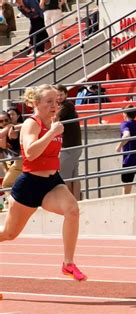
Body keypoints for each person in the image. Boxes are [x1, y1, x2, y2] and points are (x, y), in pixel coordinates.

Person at [0, 84, 86, 281]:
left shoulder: (54, 122)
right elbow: (30, 153)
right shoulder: (33, 123)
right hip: (29, 184)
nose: (54, 105)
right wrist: (51, 133)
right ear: (36, 104)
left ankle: (68, 263)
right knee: (9, 234)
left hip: (52, 182)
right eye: (49, 102)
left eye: (56, 101)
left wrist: (53, 130)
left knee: (72, 210)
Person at [56, 84, 82, 200]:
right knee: (73, 175)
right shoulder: (68, 105)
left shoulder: (65, 106)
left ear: (66, 94)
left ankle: (69, 200)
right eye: (57, 95)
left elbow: (55, 118)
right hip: (74, 145)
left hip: (69, 146)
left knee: (65, 176)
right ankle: (76, 200)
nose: (59, 97)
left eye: (61, 94)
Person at [115, 104, 136, 195]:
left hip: (129, 160)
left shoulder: (124, 124)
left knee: (126, 189)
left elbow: (126, 135)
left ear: (125, 114)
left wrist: (119, 147)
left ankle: (123, 207)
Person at [1, 108, 24, 191]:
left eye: (12, 114)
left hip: (23, 160)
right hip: (17, 160)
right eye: (1, 121)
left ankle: (10, 203)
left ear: (18, 116)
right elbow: (3, 147)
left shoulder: (12, 126)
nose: (4, 122)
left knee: (6, 185)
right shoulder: (7, 128)